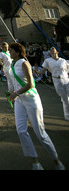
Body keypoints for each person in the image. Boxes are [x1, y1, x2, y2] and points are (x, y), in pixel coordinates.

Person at [8, 42, 65, 170]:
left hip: (31, 99)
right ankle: (35, 161)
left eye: (11, 50)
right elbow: (14, 82)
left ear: (17, 52)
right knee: (21, 131)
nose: (9, 52)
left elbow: (31, 84)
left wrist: (16, 93)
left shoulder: (24, 63)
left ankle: (56, 160)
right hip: (19, 100)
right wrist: (12, 93)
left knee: (40, 132)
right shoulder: (12, 64)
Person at [35, 46, 69, 121]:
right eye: (50, 49)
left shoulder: (63, 60)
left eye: (53, 48)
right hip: (57, 80)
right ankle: (67, 115)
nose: (51, 49)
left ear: (57, 51)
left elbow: (67, 70)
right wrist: (37, 72)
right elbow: (43, 70)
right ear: (50, 53)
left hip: (66, 79)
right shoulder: (48, 60)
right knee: (65, 99)